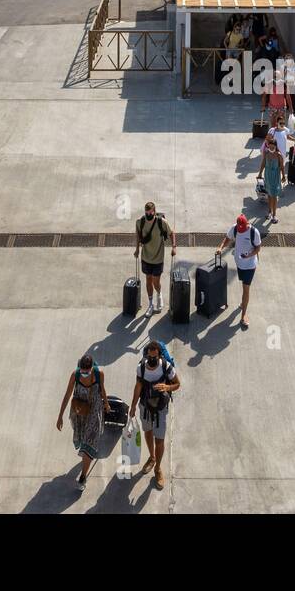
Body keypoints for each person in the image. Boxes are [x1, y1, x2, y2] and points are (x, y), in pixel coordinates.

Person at [56, 353, 111, 492]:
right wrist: (60, 415)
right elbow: (67, 394)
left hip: (94, 409)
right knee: (82, 438)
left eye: (87, 372)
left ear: (92, 368)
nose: (84, 374)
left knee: (88, 443)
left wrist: (106, 404)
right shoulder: (75, 375)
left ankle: (83, 476)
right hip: (80, 410)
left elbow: (102, 389)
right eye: (82, 371)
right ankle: (86, 458)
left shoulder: (99, 374)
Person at [129, 340, 180, 489]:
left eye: (154, 357)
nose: (152, 360)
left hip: (160, 409)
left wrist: (167, 386)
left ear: (159, 355)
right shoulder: (141, 368)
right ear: (146, 355)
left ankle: (157, 468)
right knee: (148, 433)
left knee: (160, 440)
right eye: (149, 357)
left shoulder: (166, 366)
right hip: (145, 407)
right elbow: (138, 387)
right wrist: (132, 406)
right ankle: (151, 457)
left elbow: (177, 384)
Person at [216, 214, 262, 329]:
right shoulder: (235, 228)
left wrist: (249, 255)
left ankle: (243, 315)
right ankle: (243, 303)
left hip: (250, 265)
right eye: (239, 229)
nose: (240, 231)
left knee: (246, 289)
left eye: (242, 228)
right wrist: (220, 247)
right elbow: (227, 238)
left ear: (247, 224)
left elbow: (258, 248)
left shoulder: (254, 232)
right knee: (243, 284)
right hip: (239, 263)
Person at [134, 202, 176, 313]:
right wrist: (137, 249)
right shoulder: (140, 222)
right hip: (146, 257)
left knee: (156, 281)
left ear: (154, 211)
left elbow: (171, 233)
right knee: (148, 279)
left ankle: (159, 294)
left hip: (158, 257)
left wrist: (174, 247)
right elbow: (138, 236)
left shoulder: (161, 222)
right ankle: (151, 304)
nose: (148, 214)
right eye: (146, 212)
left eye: (150, 212)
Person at [258, 133, 284, 223]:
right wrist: (260, 173)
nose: (271, 148)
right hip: (268, 176)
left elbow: (282, 166)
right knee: (269, 195)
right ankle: (269, 212)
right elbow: (263, 164)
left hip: (276, 177)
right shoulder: (266, 152)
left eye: (273, 146)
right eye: (270, 146)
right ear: (268, 145)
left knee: (274, 196)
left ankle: (274, 215)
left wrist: (283, 176)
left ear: (275, 146)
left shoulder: (279, 155)